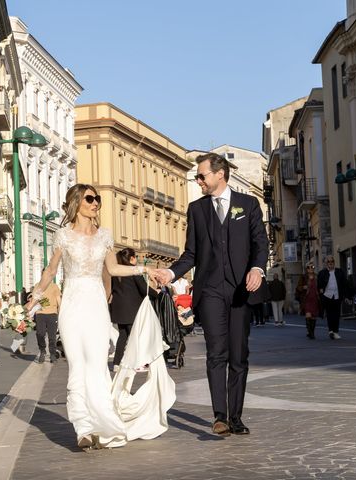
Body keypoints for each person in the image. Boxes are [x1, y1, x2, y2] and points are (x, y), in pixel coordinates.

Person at [26, 184, 175, 450]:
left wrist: (144, 269)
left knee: (96, 365)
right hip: (72, 304)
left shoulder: (104, 235)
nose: (96, 203)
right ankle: (83, 427)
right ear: (77, 202)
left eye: (98, 199)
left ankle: (103, 425)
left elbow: (114, 268)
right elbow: (50, 271)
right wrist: (35, 297)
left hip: (95, 304)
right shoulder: (63, 235)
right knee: (77, 365)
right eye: (90, 198)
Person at [155, 152, 268, 436]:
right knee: (216, 353)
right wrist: (170, 273)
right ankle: (220, 417)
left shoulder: (249, 204)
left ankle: (236, 417)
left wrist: (257, 268)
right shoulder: (197, 210)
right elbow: (191, 253)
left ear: (220, 174)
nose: (198, 180)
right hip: (211, 290)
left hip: (241, 290)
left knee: (239, 355)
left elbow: (260, 244)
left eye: (201, 175)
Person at [109, 248, 152, 371]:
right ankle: (139, 363)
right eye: (136, 257)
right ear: (132, 258)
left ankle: (116, 363)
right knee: (137, 336)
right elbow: (144, 289)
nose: (137, 260)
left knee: (123, 336)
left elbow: (113, 289)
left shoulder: (117, 272)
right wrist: (158, 294)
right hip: (132, 311)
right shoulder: (134, 271)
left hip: (119, 310)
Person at [317, 255, 347, 340]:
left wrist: (346, 295)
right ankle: (331, 331)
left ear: (334, 262)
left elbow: (344, 283)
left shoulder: (339, 271)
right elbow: (319, 284)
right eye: (328, 262)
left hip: (337, 295)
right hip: (327, 295)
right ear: (326, 263)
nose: (330, 263)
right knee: (330, 314)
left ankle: (335, 331)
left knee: (336, 314)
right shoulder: (322, 273)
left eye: (332, 261)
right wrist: (321, 290)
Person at [33, 276, 61, 364]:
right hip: (40, 313)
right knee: (40, 334)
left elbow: (58, 301)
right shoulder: (37, 286)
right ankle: (42, 350)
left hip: (52, 313)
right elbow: (34, 300)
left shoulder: (54, 286)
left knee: (52, 336)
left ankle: (52, 354)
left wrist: (60, 313)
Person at [302, 262, 320, 339]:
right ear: (306, 269)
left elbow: (320, 285)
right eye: (308, 267)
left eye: (312, 267)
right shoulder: (304, 277)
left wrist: (320, 290)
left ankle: (311, 331)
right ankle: (311, 333)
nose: (310, 269)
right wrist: (303, 287)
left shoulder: (317, 277)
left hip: (315, 299)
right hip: (307, 299)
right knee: (308, 315)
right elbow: (299, 287)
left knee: (313, 317)